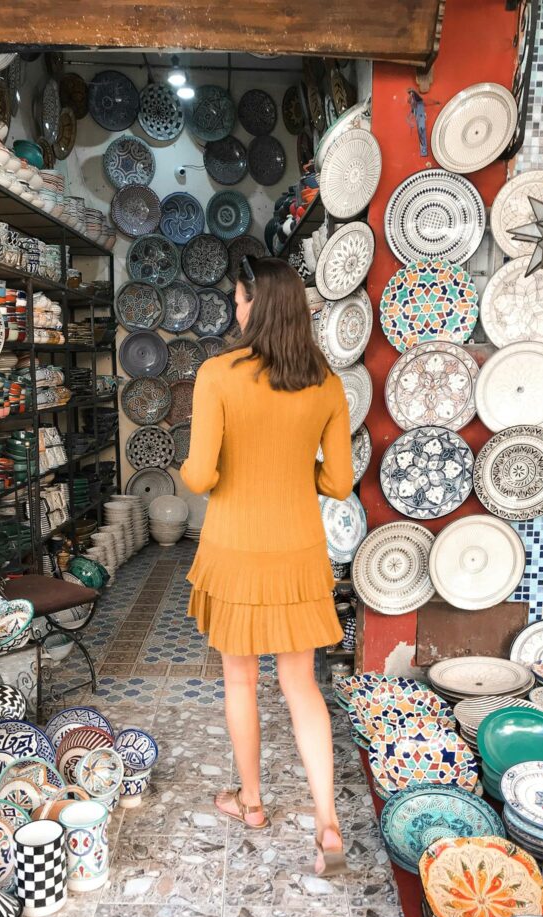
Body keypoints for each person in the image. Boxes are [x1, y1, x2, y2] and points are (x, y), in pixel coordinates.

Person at [180, 256, 353, 876]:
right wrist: (289, 468)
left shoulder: (217, 374)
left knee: (240, 682)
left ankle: (251, 804)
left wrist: (214, 466)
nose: (234, 308)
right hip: (299, 553)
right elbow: (337, 482)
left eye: (238, 299)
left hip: (235, 551)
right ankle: (328, 824)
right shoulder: (326, 383)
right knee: (301, 686)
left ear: (255, 303)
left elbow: (200, 475)